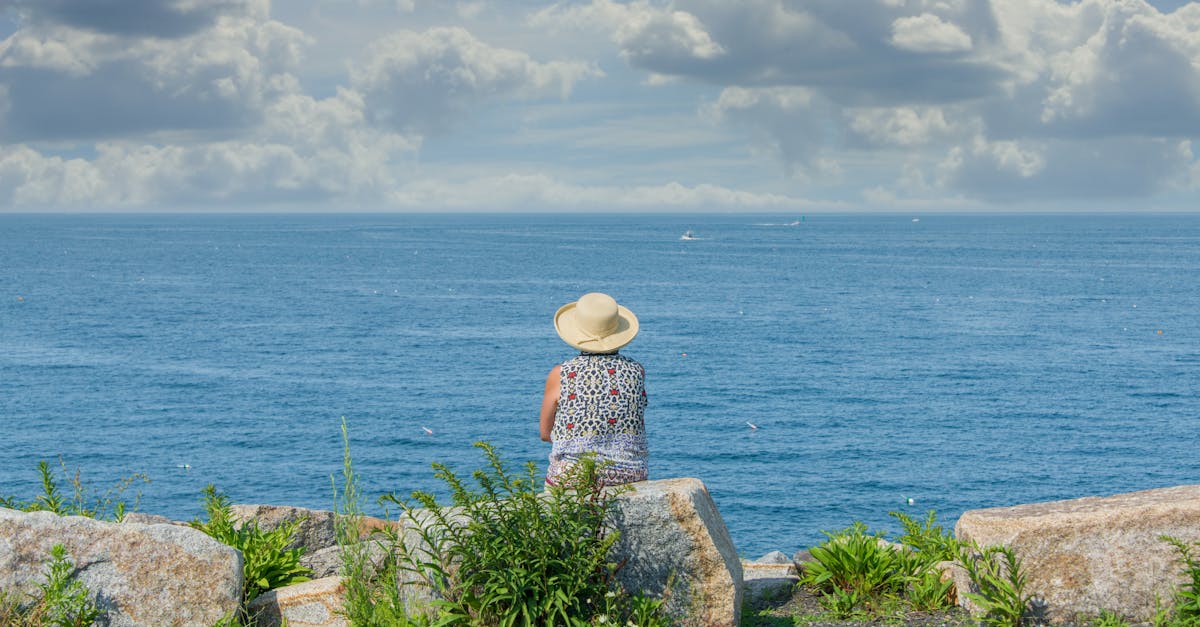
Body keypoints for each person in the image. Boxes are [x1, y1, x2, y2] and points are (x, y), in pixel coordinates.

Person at [540, 292, 648, 487]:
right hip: (629, 473)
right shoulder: (637, 371)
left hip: (572, 477)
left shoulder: (562, 373)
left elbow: (545, 433)